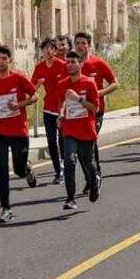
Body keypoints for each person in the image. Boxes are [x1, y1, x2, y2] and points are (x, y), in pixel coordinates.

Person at [0, 45, 40, 223]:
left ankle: (26, 169)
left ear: (10, 60)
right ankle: (6, 208)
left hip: (19, 131)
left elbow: (35, 96)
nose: (0, 61)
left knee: (18, 169)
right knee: (2, 171)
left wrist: (19, 105)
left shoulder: (19, 77)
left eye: (3, 58)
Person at [57, 52, 101, 210]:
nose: (69, 64)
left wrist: (79, 99)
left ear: (80, 64)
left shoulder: (89, 83)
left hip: (86, 129)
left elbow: (95, 108)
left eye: (73, 62)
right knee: (69, 160)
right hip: (69, 129)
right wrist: (60, 115)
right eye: (67, 62)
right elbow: (61, 103)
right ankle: (70, 198)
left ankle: (93, 182)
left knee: (88, 162)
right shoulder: (63, 83)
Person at [74, 33, 118, 189]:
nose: (80, 46)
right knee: (79, 150)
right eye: (77, 43)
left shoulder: (98, 63)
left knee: (90, 145)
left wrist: (100, 93)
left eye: (83, 43)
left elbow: (115, 83)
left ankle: (96, 175)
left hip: (95, 112)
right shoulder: (71, 66)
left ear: (89, 45)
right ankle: (90, 178)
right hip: (76, 114)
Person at [32, 39, 70, 183]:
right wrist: (38, 84)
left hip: (63, 109)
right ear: (42, 51)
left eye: (51, 48)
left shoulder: (63, 65)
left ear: (55, 51)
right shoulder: (39, 67)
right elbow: (31, 89)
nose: (48, 51)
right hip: (48, 108)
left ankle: (65, 165)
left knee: (62, 140)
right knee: (51, 142)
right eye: (45, 48)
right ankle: (58, 171)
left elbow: (71, 84)